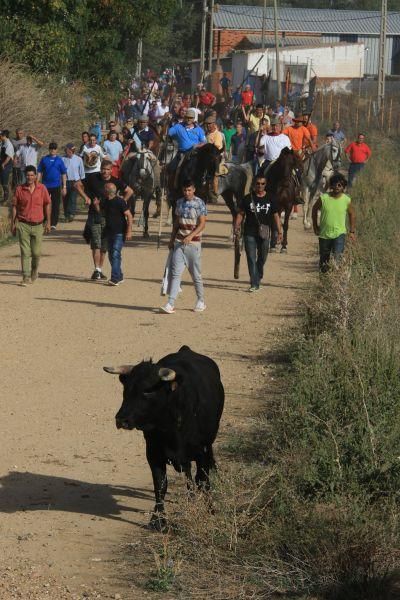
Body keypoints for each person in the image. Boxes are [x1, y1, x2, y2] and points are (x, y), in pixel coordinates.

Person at [79, 159, 133, 281]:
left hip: (108, 219)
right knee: (96, 244)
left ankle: (100, 269)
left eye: (108, 169)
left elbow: (130, 191)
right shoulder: (93, 178)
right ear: (100, 169)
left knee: (105, 246)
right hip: (95, 215)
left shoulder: (115, 181)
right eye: (103, 169)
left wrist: (122, 201)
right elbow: (77, 185)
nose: (105, 172)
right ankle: (97, 270)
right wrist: (86, 197)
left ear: (111, 170)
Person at [161, 179, 207, 314]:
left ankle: (201, 300)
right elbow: (176, 223)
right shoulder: (179, 202)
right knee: (175, 274)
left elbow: (202, 224)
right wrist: (171, 239)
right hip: (179, 243)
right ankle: (170, 303)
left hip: (194, 244)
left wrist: (191, 236)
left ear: (194, 190)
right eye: (185, 190)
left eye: (189, 190)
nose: (187, 193)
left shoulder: (199, 203)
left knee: (195, 275)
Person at [234, 174, 282, 292]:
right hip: (249, 232)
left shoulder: (271, 198)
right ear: (254, 184)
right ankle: (254, 283)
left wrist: (280, 231)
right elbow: (240, 213)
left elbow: (276, 215)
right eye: (258, 183)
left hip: (264, 232)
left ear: (265, 185)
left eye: (262, 184)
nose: (260, 186)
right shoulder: (247, 198)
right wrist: (236, 226)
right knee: (251, 257)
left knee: (263, 256)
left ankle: (258, 274)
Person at [11, 165, 51, 286]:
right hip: (23, 224)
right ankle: (26, 276)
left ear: (35, 176)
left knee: (36, 253)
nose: (29, 177)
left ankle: (34, 270)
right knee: (25, 252)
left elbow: (47, 204)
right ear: (25, 176)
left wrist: (48, 222)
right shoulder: (19, 189)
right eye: (28, 175)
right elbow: (14, 206)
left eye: (32, 175)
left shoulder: (42, 188)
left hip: (38, 225)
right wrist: (13, 223)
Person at [312, 172, 356, 273]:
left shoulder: (346, 200)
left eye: (340, 184)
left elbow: (352, 214)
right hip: (324, 235)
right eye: (335, 184)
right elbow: (314, 209)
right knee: (324, 261)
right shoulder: (324, 198)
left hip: (339, 234)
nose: (337, 186)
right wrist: (315, 226)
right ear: (331, 185)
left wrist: (352, 231)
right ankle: (324, 283)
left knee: (337, 259)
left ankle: (334, 281)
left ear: (343, 187)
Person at [93, 182, 132, 286]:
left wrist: (129, 231)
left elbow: (129, 215)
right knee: (112, 255)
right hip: (109, 232)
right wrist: (96, 205)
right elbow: (101, 213)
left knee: (115, 253)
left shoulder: (120, 201)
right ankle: (119, 275)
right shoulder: (105, 201)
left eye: (104, 189)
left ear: (107, 191)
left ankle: (115, 278)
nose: (103, 190)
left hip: (119, 232)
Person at [167, 108, 206, 176]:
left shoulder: (199, 130)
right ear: (185, 117)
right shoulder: (178, 127)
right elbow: (167, 133)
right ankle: (170, 185)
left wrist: (196, 146)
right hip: (182, 154)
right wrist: (166, 121)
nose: (188, 119)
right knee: (170, 168)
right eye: (187, 117)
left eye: (191, 118)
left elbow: (204, 142)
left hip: (194, 154)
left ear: (194, 119)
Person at [37, 142, 67, 230]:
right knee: (44, 203)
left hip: (56, 185)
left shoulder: (59, 160)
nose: (52, 150)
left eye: (54, 148)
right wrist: (37, 183)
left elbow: (64, 174)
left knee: (55, 204)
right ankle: (44, 219)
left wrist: (64, 187)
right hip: (45, 186)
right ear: (49, 149)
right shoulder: (44, 159)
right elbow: (39, 171)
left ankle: (53, 223)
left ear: (56, 150)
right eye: (51, 148)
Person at [62, 143, 86, 222]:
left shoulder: (78, 159)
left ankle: (71, 214)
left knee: (72, 198)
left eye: (70, 151)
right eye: (67, 151)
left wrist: (81, 181)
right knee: (65, 198)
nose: (68, 152)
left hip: (75, 181)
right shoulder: (62, 159)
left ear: (73, 151)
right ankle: (66, 215)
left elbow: (81, 171)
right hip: (65, 181)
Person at [204, 115, 224, 201]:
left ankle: (214, 192)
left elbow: (217, 147)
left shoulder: (218, 134)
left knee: (214, 175)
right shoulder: (206, 134)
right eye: (207, 124)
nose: (208, 125)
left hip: (216, 156)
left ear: (214, 124)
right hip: (207, 156)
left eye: (210, 124)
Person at [0, 130, 14, 204]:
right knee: (2, 181)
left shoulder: (8, 144)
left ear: (4, 136)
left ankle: (6, 198)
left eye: (1, 135)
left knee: (5, 181)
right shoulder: (3, 143)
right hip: (2, 163)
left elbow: (9, 156)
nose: (0, 137)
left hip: (6, 164)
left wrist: (3, 164)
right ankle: (4, 197)